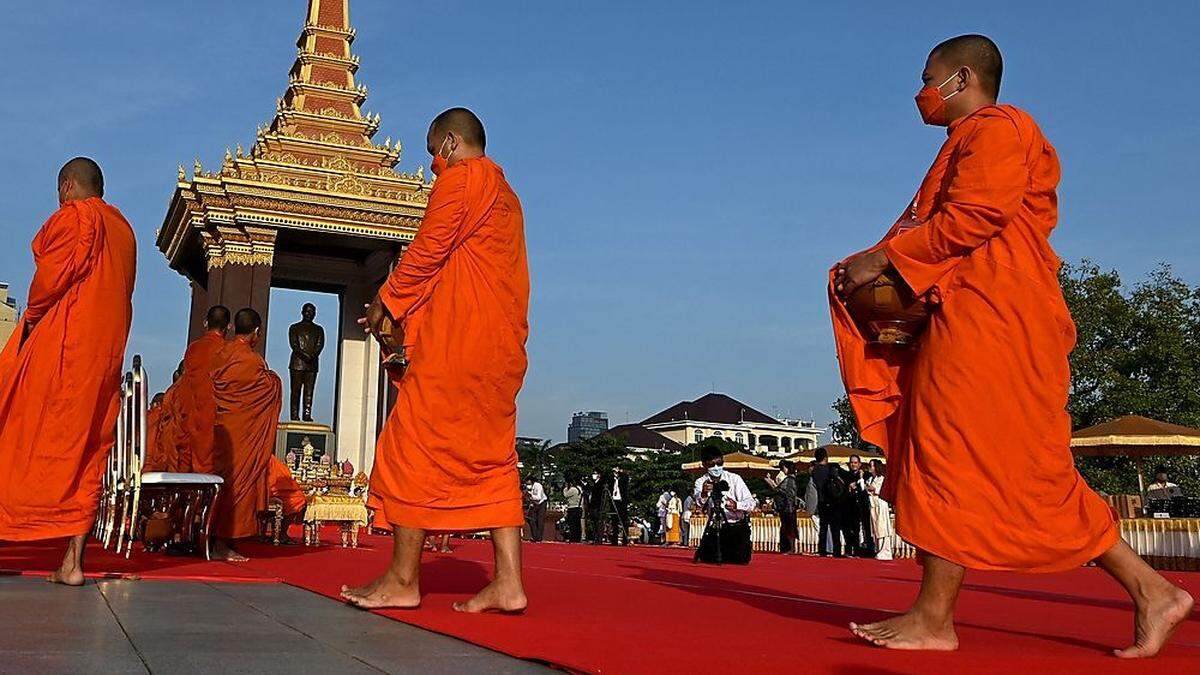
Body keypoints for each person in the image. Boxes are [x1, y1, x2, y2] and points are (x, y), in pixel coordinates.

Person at [832, 35, 1193, 655]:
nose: (919, 92)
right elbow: (947, 225)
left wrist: (885, 257)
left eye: (926, 77)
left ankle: (936, 618)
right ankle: (1153, 591)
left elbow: (976, 215)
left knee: (966, 457)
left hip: (994, 319)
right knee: (1002, 468)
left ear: (961, 76)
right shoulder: (965, 141)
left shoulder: (999, 128)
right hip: (974, 315)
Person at [343, 108, 530, 614]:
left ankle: (403, 579)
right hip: (501, 353)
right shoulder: (507, 197)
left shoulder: (463, 180)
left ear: (449, 143)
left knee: (410, 446)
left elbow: (429, 248)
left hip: (460, 348)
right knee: (494, 457)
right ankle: (508, 582)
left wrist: (389, 299)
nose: (430, 168)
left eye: (431, 154)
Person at [0, 158, 137, 586]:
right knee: (87, 455)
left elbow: (47, 285)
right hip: (103, 362)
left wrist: (32, 322)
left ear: (68, 186)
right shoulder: (124, 231)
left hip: (63, 353)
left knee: (20, 436)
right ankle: (72, 564)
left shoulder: (79, 217)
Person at [209, 308, 289, 561]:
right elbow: (269, 388)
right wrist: (275, 379)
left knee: (219, 482)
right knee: (236, 484)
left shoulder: (221, 353)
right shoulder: (252, 362)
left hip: (219, 432)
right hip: (240, 437)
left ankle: (209, 537)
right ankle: (222, 543)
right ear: (256, 333)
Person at [175, 305, 231, 474]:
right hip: (215, 419)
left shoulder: (193, 349)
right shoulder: (228, 351)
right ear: (229, 326)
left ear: (205, 323)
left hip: (192, 417)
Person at [693, 447, 757, 564]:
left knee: (739, 560)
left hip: (736, 526)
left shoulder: (734, 479)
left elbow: (751, 503)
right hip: (715, 526)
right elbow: (699, 504)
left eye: (719, 463)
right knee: (709, 559)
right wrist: (704, 493)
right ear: (704, 465)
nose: (716, 468)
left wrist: (737, 505)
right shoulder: (701, 482)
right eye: (712, 465)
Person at [810, 448, 844, 557]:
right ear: (825, 457)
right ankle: (836, 550)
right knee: (835, 527)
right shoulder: (829, 470)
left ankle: (822, 549)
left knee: (823, 527)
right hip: (832, 500)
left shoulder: (814, 471)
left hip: (821, 501)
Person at [766, 460, 800, 554]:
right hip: (790, 506)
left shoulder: (788, 480)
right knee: (790, 527)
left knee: (788, 528)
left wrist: (770, 482)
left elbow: (779, 490)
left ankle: (791, 548)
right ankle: (792, 548)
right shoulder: (792, 479)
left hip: (787, 507)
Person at [842, 455, 873, 557]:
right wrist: (849, 487)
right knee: (853, 530)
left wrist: (859, 481)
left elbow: (867, 489)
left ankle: (869, 551)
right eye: (851, 462)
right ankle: (853, 550)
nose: (853, 464)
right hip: (851, 507)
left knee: (867, 529)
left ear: (859, 464)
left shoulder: (866, 475)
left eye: (855, 463)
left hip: (863, 506)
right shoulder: (846, 476)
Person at [866, 460, 894, 560]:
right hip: (873, 505)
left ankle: (885, 551)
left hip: (880, 504)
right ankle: (878, 549)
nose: (869, 467)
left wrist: (869, 488)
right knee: (876, 528)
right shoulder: (870, 479)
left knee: (882, 527)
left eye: (871, 466)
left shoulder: (881, 479)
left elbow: (874, 489)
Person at [608, 466, 631, 546]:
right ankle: (614, 540)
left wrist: (620, 473)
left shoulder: (623, 479)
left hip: (621, 501)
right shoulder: (612, 479)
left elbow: (625, 477)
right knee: (614, 521)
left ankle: (625, 539)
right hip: (614, 500)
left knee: (624, 520)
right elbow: (608, 479)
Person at [586, 471, 606, 544]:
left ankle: (598, 539)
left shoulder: (600, 483)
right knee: (593, 522)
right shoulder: (593, 483)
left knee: (598, 522)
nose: (593, 475)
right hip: (592, 505)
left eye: (595, 474)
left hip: (597, 505)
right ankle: (595, 538)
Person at [562, 477, 584, 543]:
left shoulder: (572, 489)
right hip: (579, 507)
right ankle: (578, 538)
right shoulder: (579, 488)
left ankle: (573, 538)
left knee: (572, 524)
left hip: (573, 508)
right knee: (577, 524)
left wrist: (565, 488)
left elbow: (565, 494)